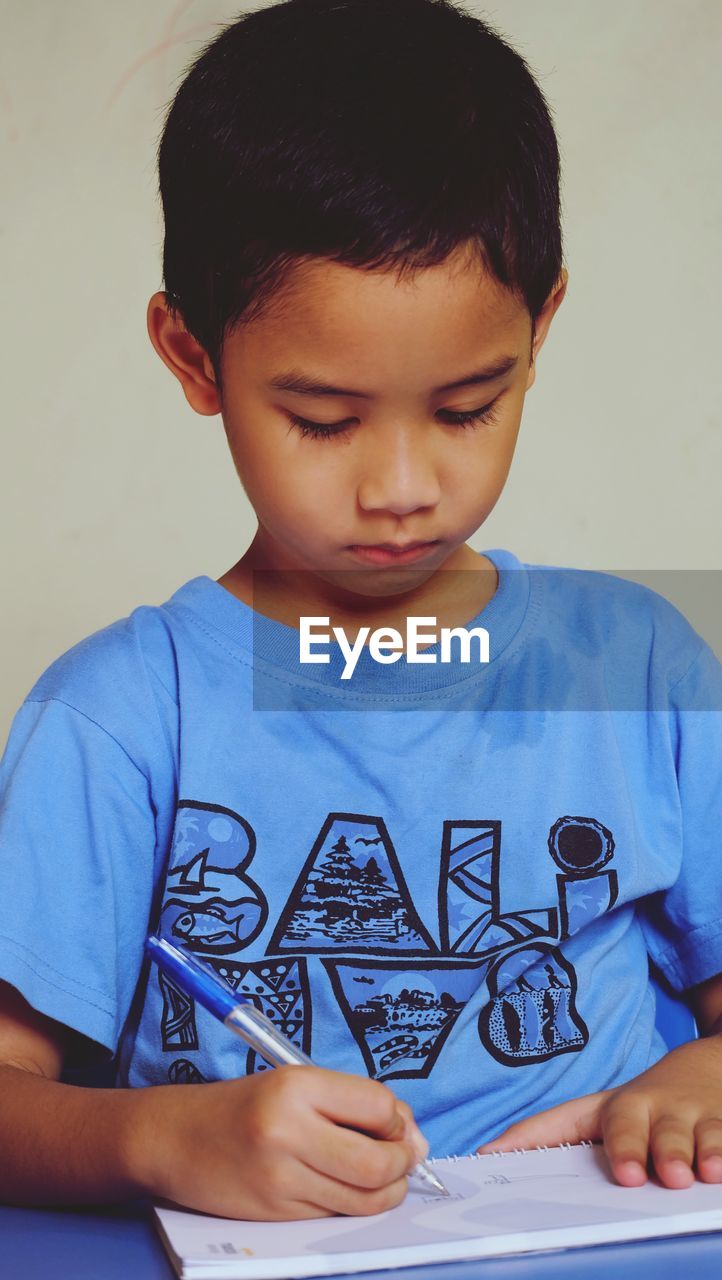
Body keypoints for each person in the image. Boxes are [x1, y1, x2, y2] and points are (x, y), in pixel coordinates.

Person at [1, 0, 721, 1223]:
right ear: (192, 358)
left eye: (464, 408)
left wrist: (702, 1070)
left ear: (538, 328)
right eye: (322, 420)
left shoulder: (637, 664)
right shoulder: (120, 714)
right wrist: (162, 1136)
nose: (399, 488)